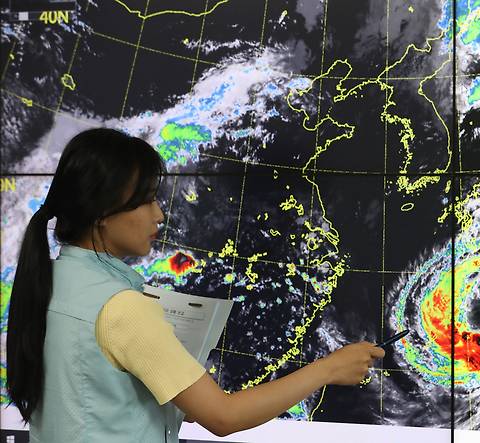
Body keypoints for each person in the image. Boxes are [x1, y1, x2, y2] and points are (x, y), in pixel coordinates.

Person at [5, 128, 385, 442]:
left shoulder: (50, 281)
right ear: (103, 213)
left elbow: (90, 398)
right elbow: (224, 417)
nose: (159, 214)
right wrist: (328, 369)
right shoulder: (121, 308)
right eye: (147, 200)